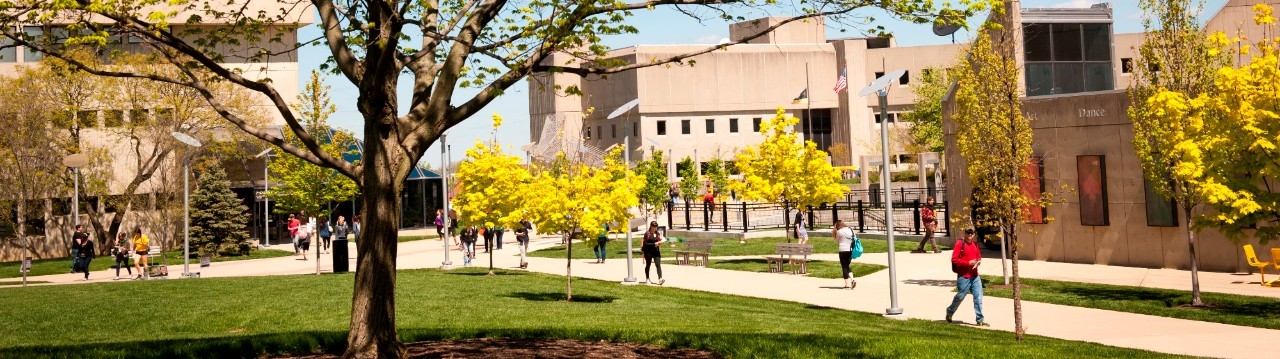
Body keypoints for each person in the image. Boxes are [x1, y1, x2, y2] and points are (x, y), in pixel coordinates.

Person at [946, 228, 987, 327]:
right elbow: (954, 259)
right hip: (964, 276)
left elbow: (978, 256)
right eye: (968, 233)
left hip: (975, 276)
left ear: (974, 234)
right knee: (960, 296)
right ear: (964, 233)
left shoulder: (975, 244)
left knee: (978, 297)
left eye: (972, 233)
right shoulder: (960, 243)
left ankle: (980, 319)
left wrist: (978, 262)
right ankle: (950, 311)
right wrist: (968, 263)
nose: (970, 235)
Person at [641, 221, 666, 285]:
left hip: (656, 251)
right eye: (654, 227)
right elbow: (645, 244)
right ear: (651, 226)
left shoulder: (657, 233)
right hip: (648, 251)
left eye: (656, 227)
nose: (655, 228)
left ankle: (660, 278)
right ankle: (647, 278)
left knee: (658, 264)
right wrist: (654, 244)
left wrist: (660, 242)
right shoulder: (647, 234)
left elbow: (659, 240)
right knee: (648, 264)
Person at [834, 220, 857, 289]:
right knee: (847, 266)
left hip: (842, 250)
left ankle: (847, 284)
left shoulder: (839, 232)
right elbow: (854, 237)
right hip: (850, 250)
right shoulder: (851, 229)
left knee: (844, 266)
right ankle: (852, 279)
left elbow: (836, 241)